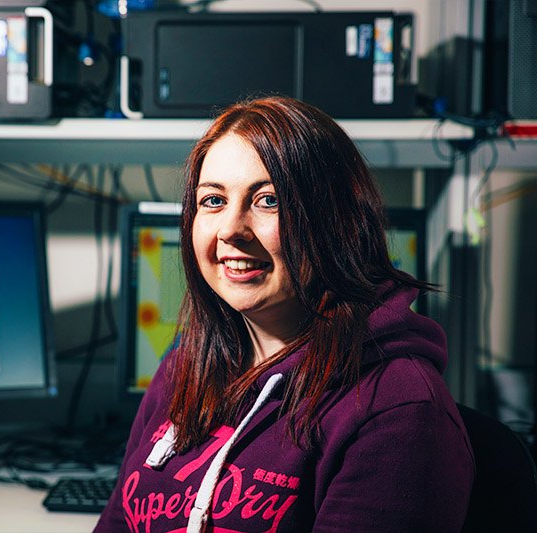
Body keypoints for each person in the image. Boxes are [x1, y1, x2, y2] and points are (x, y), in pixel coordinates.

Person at [94, 96, 474, 532]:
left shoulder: (396, 408)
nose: (232, 230)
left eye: (268, 200)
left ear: (337, 221)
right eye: (213, 201)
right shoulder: (184, 368)